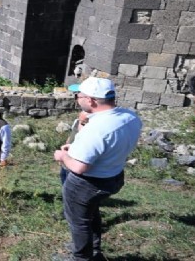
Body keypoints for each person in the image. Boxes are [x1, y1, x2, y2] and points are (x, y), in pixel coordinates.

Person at [53, 77, 142, 261]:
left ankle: (81, 257)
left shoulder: (97, 128)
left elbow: (79, 167)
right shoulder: (129, 116)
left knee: (79, 222)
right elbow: (107, 146)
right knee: (91, 214)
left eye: (78, 95)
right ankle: (93, 250)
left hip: (87, 183)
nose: (76, 98)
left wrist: (62, 156)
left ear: (91, 100)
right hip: (113, 175)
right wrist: (76, 150)